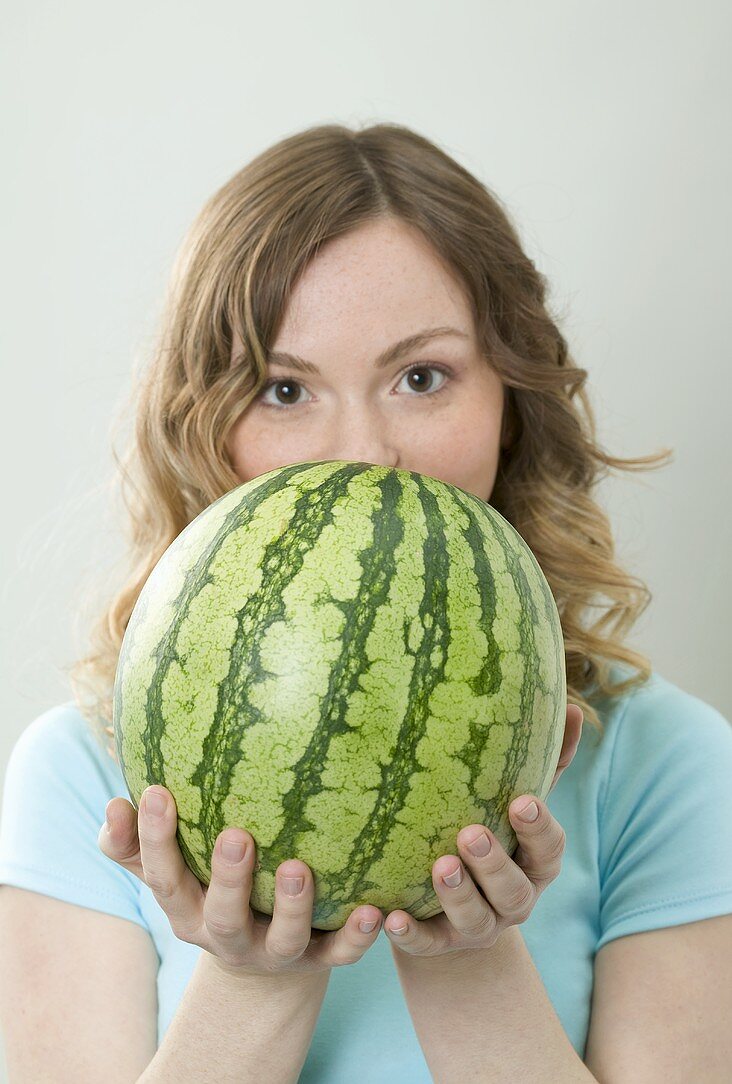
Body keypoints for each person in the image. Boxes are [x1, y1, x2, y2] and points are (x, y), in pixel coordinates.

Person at [1, 122, 731, 1083]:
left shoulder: (666, 768)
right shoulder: (81, 778)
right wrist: (256, 976)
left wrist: (468, 953)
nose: (363, 453)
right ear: (206, 425)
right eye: (284, 388)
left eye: (420, 377)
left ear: (511, 401)